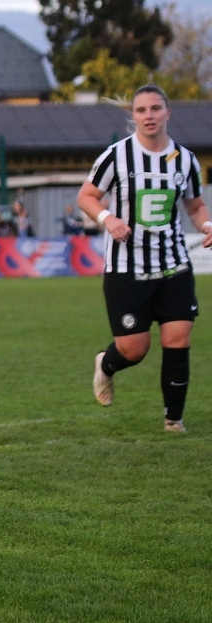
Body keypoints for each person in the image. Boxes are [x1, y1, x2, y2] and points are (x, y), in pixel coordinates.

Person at [78, 82, 212, 432]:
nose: (149, 115)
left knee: (178, 339)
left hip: (174, 264)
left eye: (155, 108)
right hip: (127, 267)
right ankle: (105, 365)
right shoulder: (116, 155)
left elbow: (195, 206)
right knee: (135, 350)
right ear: (133, 115)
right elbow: (88, 196)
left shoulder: (185, 160)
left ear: (168, 113)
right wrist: (109, 219)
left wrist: (207, 224)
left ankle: (174, 421)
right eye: (141, 110)